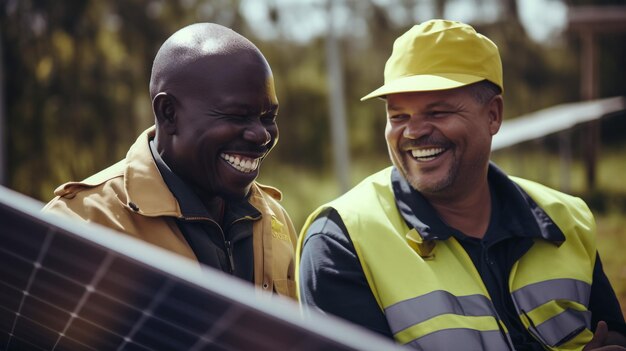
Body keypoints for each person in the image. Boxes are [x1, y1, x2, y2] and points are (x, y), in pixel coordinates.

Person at [296, 19, 626, 350]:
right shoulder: (341, 242)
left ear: (493, 115)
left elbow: (610, 334)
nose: (413, 132)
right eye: (398, 116)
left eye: (437, 112)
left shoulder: (566, 219)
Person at [44, 23, 297, 299]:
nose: (261, 135)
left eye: (268, 117)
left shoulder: (275, 219)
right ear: (168, 114)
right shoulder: (80, 225)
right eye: (237, 116)